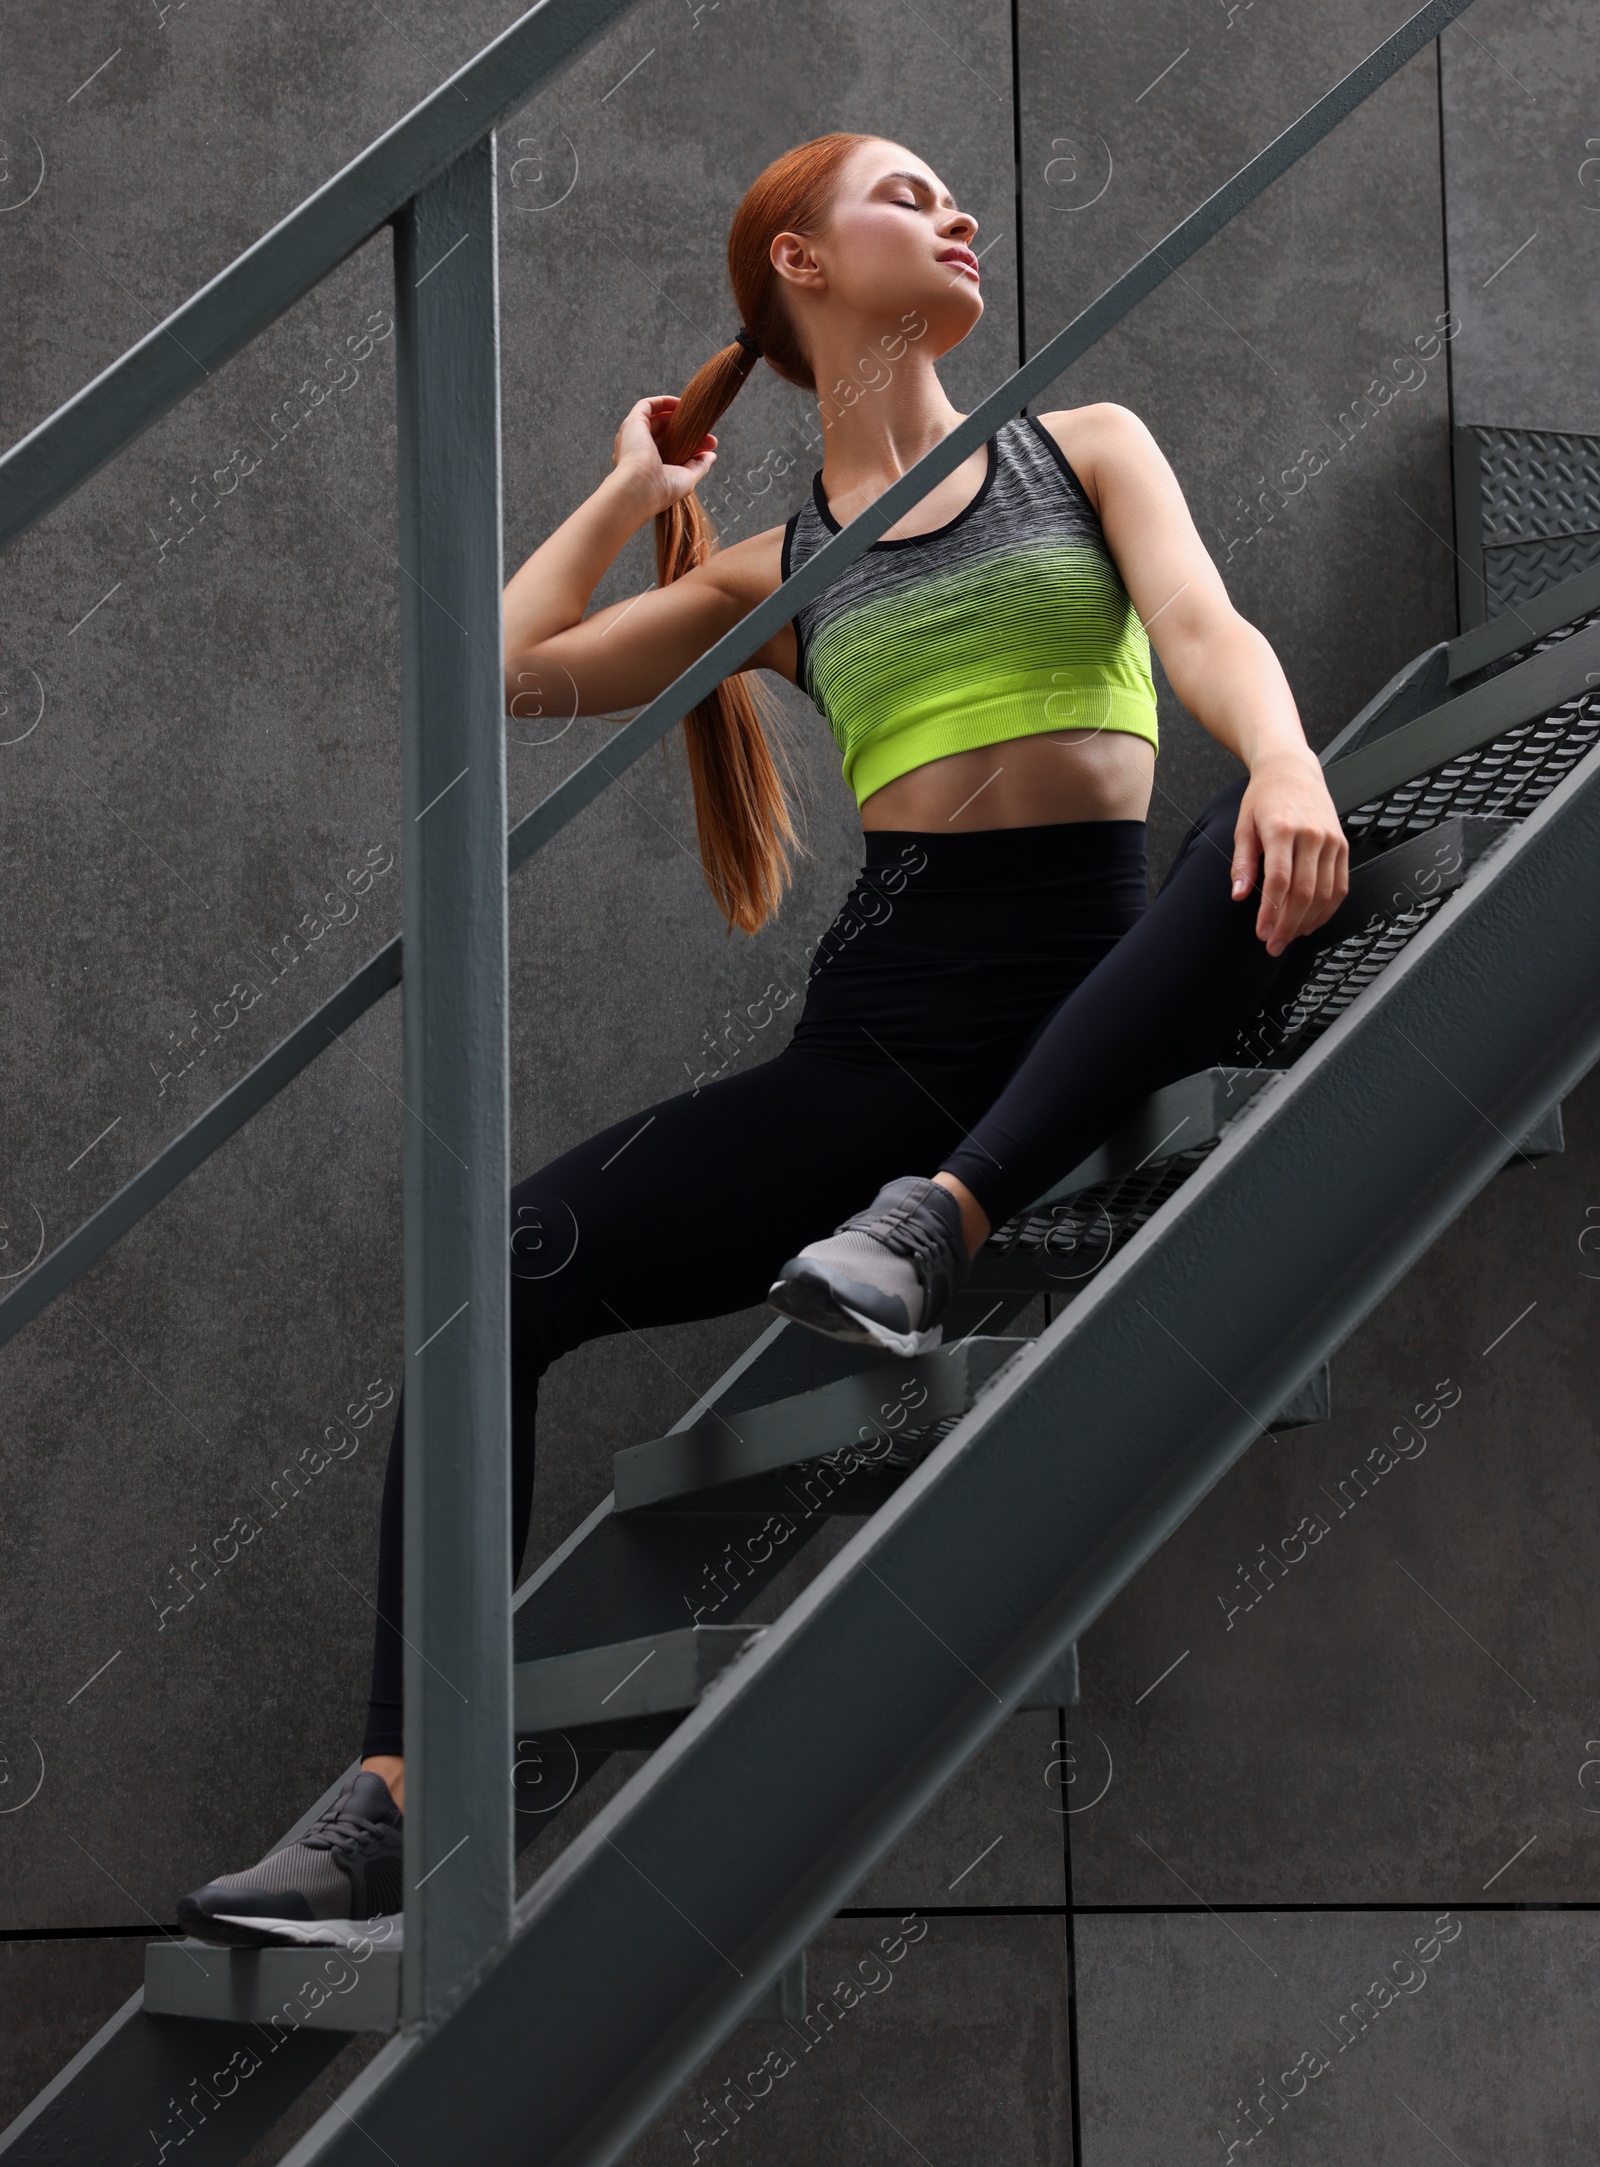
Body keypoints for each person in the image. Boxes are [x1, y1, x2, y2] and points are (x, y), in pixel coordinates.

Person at [176, 131, 1347, 1941]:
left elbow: (1207, 628)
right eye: (904, 193)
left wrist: (1278, 758)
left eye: (957, 194)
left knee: (1240, 852)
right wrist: (624, 484)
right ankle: (401, 1797)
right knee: (493, 1279)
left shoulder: (1083, 447)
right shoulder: (776, 571)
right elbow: (499, 673)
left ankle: (936, 1224)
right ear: (798, 266)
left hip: (1115, 974)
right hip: (882, 1051)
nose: (956, 212)